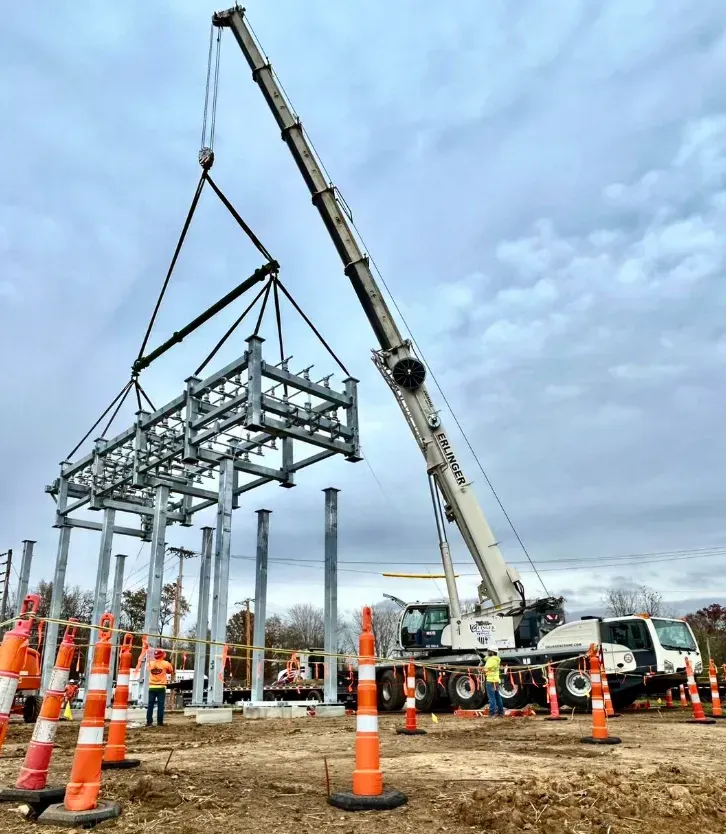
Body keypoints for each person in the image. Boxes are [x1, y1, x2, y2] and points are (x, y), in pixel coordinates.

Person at [146, 649, 173, 727]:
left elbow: (150, 668)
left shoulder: (150, 663)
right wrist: (169, 663)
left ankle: (149, 722)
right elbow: (170, 671)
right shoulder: (166, 663)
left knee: (150, 705)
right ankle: (159, 722)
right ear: (162, 655)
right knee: (160, 706)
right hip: (161, 687)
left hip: (151, 687)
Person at [483, 646, 504, 718]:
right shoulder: (497, 659)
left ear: (492, 652)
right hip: (496, 681)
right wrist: (480, 654)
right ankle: (501, 713)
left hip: (490, 681)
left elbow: (485, 669)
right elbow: (486, 658)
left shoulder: (491, 660)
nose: (488, 652)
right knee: (498, 697)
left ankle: (492, 714)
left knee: (492, 698)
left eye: (489, 651)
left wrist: (481, 669)